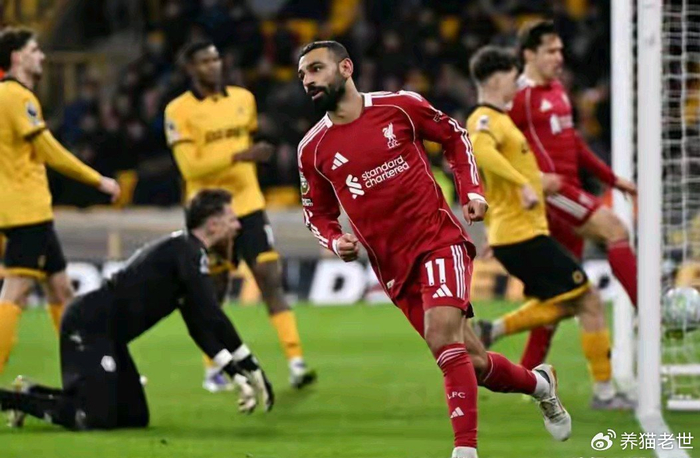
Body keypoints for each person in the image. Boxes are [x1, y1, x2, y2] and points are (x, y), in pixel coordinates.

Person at [296, 40, 571, 458]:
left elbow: (455, 137)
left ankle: (465, 450)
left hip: (438, 240)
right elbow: (316, 213)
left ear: (346, 68)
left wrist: (471, 190)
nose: (308, 80)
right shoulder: (312, 149)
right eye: (303, 74)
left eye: (316, 69)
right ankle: (540, 384)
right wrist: (335, 239)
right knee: (471, 362)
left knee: (442, 336)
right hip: (393, 267)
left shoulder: (399, 106)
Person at [0, 189, 274, 430]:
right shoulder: (187, 253)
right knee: (94, 418)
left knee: (134, 417)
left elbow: (199, 324)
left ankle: (32, 392)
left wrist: (235, 370)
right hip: (88, 327)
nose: (238, 226)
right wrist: (247, 366)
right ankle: (11, 400)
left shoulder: (186, 253)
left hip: (110, 337)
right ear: (213, 225)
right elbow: (212, 313)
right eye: (232, 219)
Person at [466, 46, 634, 410]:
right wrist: (523, 185)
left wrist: (499, 222)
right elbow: (481, 153)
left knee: (572, 302)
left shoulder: (501, 119)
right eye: (512, 78)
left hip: (519, 233)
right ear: (495, 79)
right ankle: (605, 393)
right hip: (521, 235)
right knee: (589, 300)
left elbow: (492, 181)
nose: (516, 86)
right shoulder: (484, 118)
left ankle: (494, 330)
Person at [165, 40, 316, 392]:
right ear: (190, 68)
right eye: (205, 61)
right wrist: (239, 156)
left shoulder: (243, 99)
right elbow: (190, 168)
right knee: (213, 290)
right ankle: (214, 368)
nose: (213, 65)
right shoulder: (178, 110)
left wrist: (247, 158)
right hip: (207, 211)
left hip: (248, 204)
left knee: (269, 277)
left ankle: (296, 363)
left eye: (216, 58)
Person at [508, 20, 638, 370]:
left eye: (561, 50)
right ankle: (648, 313)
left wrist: (612, 179)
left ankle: (526, 377)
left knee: (560, 297)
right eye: (550, 51)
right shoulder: (518, 97)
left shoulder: (557, 90)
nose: (559, 57)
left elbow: (575, 144)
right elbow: (494, 149)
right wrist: (527, 183)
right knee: (615, 230)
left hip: (571, 191)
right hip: (551, 194)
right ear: (529, 54)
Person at [0, 27, 121, 374]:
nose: (42, 56)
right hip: (26, 210)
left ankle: (84, 369)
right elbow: (49, 150)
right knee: (15, 293)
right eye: (34, 50)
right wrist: (97, 179)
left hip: (28, 208)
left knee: (61, 290)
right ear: (17, 57)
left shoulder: (6, 96)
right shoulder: (17, 96)